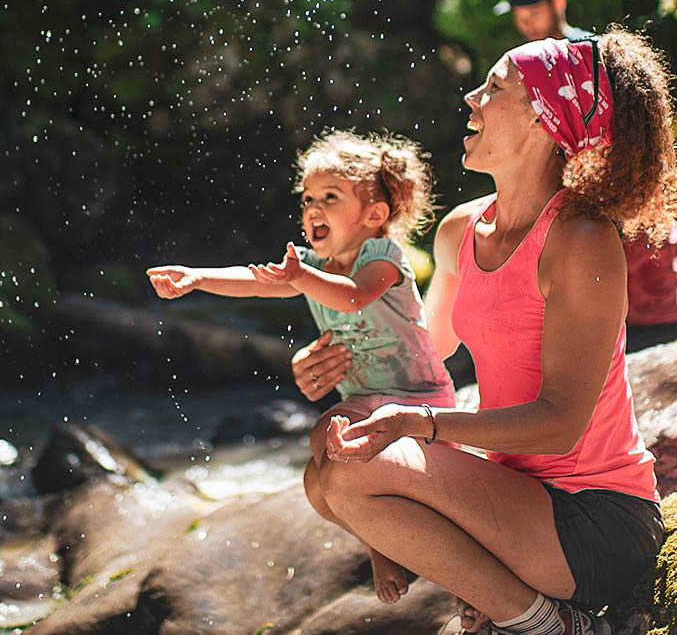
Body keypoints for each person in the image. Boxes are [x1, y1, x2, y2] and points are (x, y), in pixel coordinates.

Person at [294, 28, 677, 635]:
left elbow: (560, 424)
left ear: (544, 118)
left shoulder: (581, 239)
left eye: (494, 87)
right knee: (326, 468)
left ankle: (545, 623)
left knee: (353, 472)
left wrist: (420, 424)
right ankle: (514, 603)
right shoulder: (458, 230)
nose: (471, 98)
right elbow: (429, 350)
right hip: (509, 498)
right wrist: (338, 355)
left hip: (595, 521)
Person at [146, 130, 456, 604]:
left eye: (330, 198)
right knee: (316, 486)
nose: (313, 209)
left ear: (374, 215)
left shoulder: (383, 257)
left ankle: (391, 546)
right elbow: (256, 281)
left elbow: (353, 297)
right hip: (368, 402)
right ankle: (380, 543)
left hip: (418, 398)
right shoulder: (311, 267)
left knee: (321, 434)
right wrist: (198, 278)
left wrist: (302, 277)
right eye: (309, 198)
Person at [495, 0, 677, 350]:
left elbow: (637, 135)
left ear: (559, 2)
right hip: (564, 202)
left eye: (534, 12)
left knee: (646, 291)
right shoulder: (524, 70)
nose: (527, 24)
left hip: (613, 191)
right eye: (519, 16)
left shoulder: (595, 58)